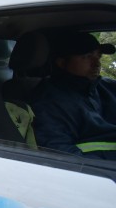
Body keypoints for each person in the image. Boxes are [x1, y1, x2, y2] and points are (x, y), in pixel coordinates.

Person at [32, 32, 116, 160]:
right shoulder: (49, 100)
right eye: (87, 57)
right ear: (62, 62)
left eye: (98, 56)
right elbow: (59, 153)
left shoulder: (105, 86)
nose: (97, 63)